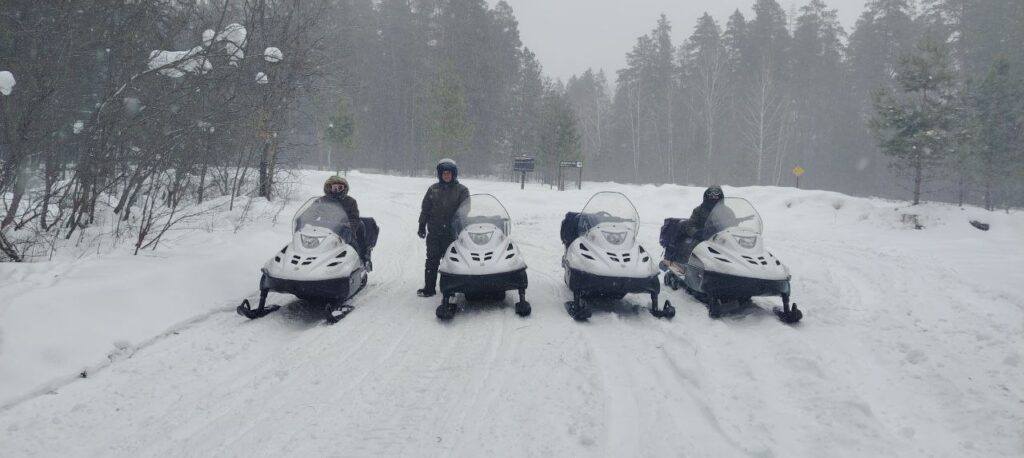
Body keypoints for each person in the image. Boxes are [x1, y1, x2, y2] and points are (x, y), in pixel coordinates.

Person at [416, 158, 470, 297]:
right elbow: (425, 209)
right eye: (444, 173)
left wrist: (458, 224)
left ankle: (450, 289)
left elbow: (465, 209)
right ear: (440, 174)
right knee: (431, 260)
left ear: (453, 174)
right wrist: (421, 225)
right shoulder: (433, 189)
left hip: (452, 233)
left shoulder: (462, 190)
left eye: (449, 173)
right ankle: (429, 288)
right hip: (434, 232)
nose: (446, 175)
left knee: (452, 261)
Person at [321, 175, 368, 265]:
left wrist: (349, 228)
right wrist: (302, 221)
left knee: (355, 241)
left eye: (340, 187)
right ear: (329, 188)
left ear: (344, 188)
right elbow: (311, 212)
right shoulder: (322, 201)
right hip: (324, 230)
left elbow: (354, 218)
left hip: (344, 230)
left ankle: (361, 258)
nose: (337, 190)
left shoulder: (350, 201)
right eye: (334, 187)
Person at [673, 185, 725, 263]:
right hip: (702, 237)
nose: (713, 199)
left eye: (716, 198)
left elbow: (733, 226)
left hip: (721, 238)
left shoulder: (727, 211)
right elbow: (690, 226)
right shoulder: (698, 210)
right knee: (694, 249)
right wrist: (697, 233)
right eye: (711, 197)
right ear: (706, 197)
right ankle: (688, 264)